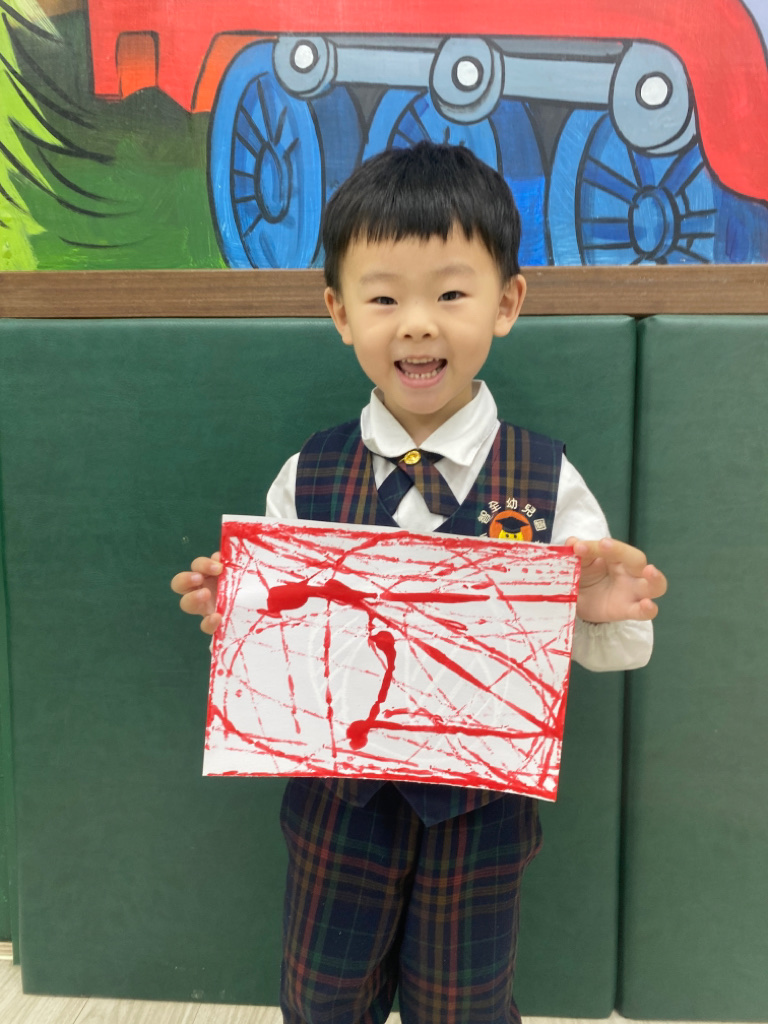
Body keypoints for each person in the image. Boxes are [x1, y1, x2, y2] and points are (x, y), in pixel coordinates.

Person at [171, 142, 666, 1024]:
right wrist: (238, 613)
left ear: (507, 303)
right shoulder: (306, 475)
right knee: (322, 995)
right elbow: (280, 647)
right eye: (383, 297)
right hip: (338, 808)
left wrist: (587, 612)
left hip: (479, 818)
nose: (417, 325)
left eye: (450, 294)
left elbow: (614, 647)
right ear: (338, 311)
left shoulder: (545, 480)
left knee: (463, 1003)